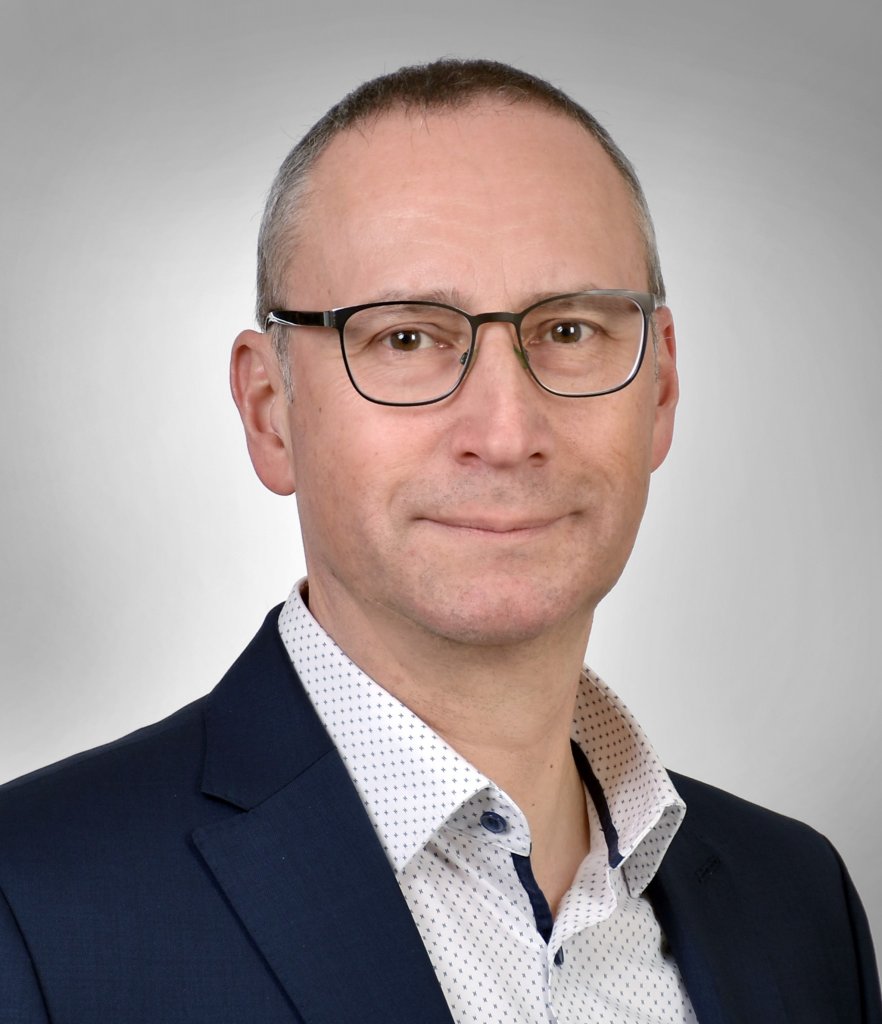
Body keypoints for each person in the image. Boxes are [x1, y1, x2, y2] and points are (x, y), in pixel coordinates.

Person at [0, 58, 878, 1024]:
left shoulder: (801, 907)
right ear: (269, 410)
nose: (505, 433)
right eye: (407, 339)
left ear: (660, 390)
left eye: (570, 331)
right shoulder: (30, 906)